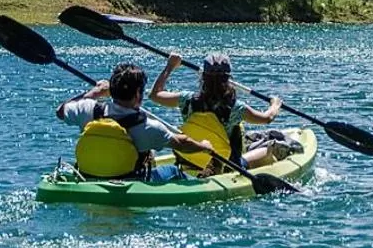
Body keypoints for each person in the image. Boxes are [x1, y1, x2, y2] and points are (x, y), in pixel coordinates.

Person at [55, 62, 214, 181]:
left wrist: (95, 92)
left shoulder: (87, 109)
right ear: (138, 94)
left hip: (87, 176)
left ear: (112, 89)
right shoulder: (148, 127)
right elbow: (182, 143)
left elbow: (61, 111)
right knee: (174, 171)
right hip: (129, 180)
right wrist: (204, 147)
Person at [150, 51, 293, 170]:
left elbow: (155, 95)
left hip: (190, 158)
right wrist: (275, 105)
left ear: (203, 76)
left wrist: (170, 67)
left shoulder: (186, 100)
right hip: (225, 165)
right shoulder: (237, 108)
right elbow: (266, 118)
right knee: (266, 150)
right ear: (228, 79)